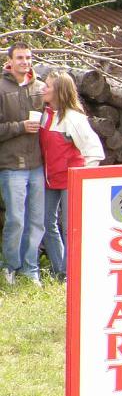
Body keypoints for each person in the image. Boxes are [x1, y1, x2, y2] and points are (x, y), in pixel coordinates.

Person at [39, 72, 105, 280]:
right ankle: (59, 269)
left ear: (59, 91)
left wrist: (82, 178)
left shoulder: (74, 119)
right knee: (46, 223)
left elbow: (94, 151)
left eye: (48, 86)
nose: (43, 89)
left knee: (70, 227)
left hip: (71, 181)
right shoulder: (44, 115)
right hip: (50, 179)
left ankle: (70, 273)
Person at [0, 41, 46, 287]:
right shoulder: (1, 87)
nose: (25, 62)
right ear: (10, 61)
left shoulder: (40, 87)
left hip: (36, 164)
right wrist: (20, 127)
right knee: (16, 220)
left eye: (28, 57)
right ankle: (9, 267)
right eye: (20, 58)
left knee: (36, 221)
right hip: (11, 166)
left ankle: (31, 269)